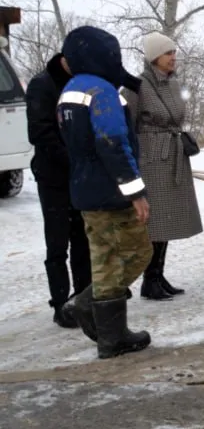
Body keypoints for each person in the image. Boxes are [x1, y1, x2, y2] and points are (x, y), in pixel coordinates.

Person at [56, 26, 152, 358]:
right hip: (110, 191)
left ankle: (112, 337)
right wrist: (135, 191)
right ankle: (87, 307)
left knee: (103, 258)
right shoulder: (103, 92)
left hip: (84, 188)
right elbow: (112, 142)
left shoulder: (70, 90)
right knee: (138, 253)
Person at [132, 32, 202, 300]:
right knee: (156, 221)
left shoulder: (174, 84)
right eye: (167, 53)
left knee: (168, 220)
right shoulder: (136, 86)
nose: (173, 57)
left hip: (173, 155)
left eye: (174, 52)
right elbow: (129, 123)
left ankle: (157, 275)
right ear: (154, 57)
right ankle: (149, 279)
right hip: (151, 158)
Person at [26, 51, 91, 328]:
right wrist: (72, 158)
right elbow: (39, 133)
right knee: (57, 243)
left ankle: (84, 299)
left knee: (82, 240)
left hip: (79, 176)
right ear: (64, 56)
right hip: (53, 177)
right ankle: (60, 303)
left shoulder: (81, 83)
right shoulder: (42, 84)